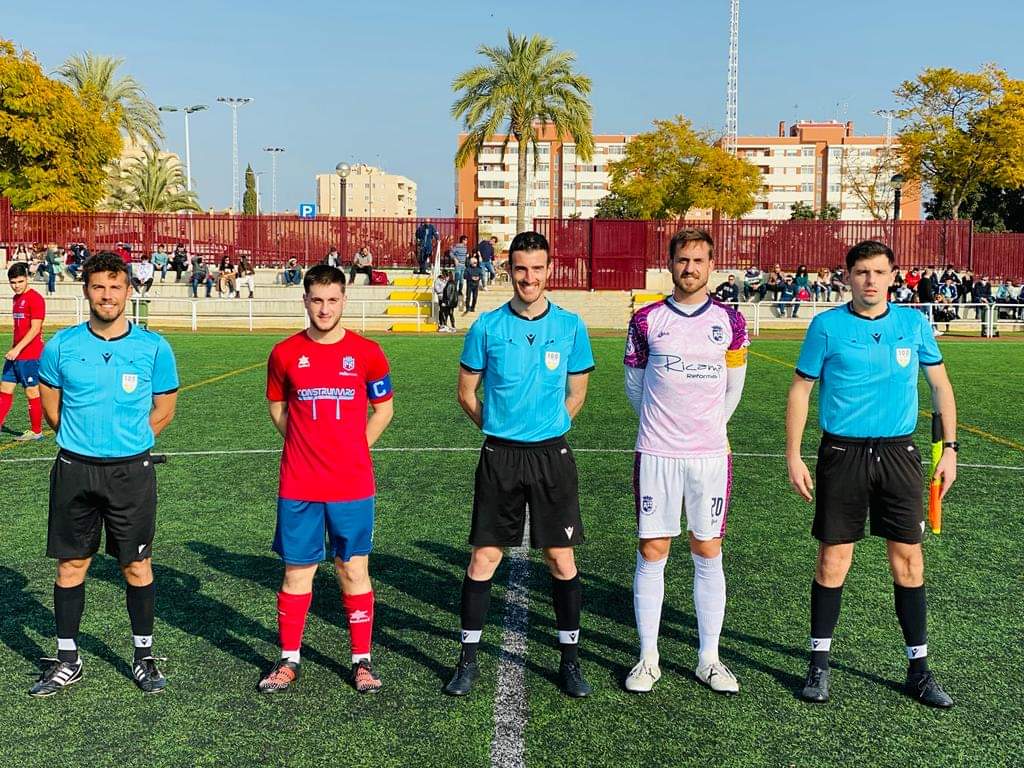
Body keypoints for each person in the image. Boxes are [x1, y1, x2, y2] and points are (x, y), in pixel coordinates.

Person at [785, 240, 957, 709]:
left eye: (879, 272)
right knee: (832, 562)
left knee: (909, 562)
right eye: (861, 272)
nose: (870, 281)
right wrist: (794, 454)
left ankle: (919, 671)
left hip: (899, 455)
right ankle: (819, 665)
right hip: (842, 454)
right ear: (847, 276)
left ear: (892, 276)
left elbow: (940, 385)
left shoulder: (913, 324)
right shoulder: (826, 327)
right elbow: (801, 389)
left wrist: (950, 450)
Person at [444, 230, 595, 699]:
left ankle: (569, 661)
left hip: (553, 456)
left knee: (560, 558)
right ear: (509, 269)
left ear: (550, 270)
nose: (529, 278)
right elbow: (466, 391)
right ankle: (467, 660)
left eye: (537, 268)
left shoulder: (571, 326)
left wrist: (549, 427)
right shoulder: (487, 327)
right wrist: (497, 429)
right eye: (521, 268)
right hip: (499, 456)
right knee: (485, 556)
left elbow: (577, 392)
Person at [31, 251, 179, 697]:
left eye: (115, 287)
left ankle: (144, 655)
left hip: (131, 473)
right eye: (99, 286)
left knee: (136, 564)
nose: (107, 295)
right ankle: (68, 659)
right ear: (86, 291)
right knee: (71, 563)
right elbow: (51, 405)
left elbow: (165, 410)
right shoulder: (61, 345)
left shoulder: (153, 347)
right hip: (75, 469)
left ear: (129, 291)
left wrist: (127, 444)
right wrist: (84, 440)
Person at [622, 228, 748, 695]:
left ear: (711, 265)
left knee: (707, 549)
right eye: (682, 260)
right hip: (657, 453)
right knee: (654, 551)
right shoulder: (647, 319)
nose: (690, 268)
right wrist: (662, 425)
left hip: (710, 456)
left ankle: (709, 659)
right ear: (670, 264)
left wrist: (707, 426)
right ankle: (648, 658)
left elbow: (734, 386)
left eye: (699, 260)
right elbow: (635, 386)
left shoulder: (731, 321)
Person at [258, 264, 394, 695]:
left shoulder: (368, 352)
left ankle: (361, 661)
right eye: (316, 299)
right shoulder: (283, 353)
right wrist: (304, 442)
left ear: (344, 300)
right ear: (305, 300)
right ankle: (289, 659)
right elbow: (279, 409)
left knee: (353, 569)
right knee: (297, 572)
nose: (324, 308)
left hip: (352, 484)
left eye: (332, 299)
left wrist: (355, 446)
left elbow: (384, 409)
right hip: (299, 483)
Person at [1, 262, 46, 441]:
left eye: (20, 281)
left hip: (30, 355)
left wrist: (17, 349)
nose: (16, 286)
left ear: (27, 279)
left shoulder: (35, 299)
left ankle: (36, 432)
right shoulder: (15, 299)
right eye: (13, 282)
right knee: (5, 388)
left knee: (31, 392)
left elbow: (35, 329)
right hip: (15, 354)